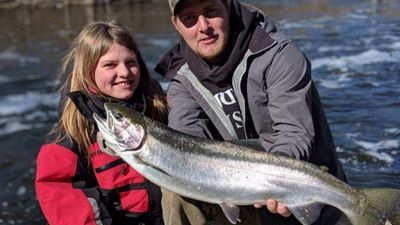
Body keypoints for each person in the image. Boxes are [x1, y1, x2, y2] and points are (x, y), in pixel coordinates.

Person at [155, 0, 347, 225]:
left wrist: (279, 182)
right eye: (190, 18)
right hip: (239, 198)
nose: (203, 26)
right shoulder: (182, 81)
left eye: (211, 12)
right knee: (175, 192)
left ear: (229, 7)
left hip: (304, 194)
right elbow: (187, 141)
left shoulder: (279, 55)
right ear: (176, 24)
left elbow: (293, 133)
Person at [35, 21, 167, 225]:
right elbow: (57, 190)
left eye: (131, 62)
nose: (124, 72)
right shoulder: (70, 131)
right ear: (88, 70)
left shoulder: (160, 105)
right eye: (110, 65)